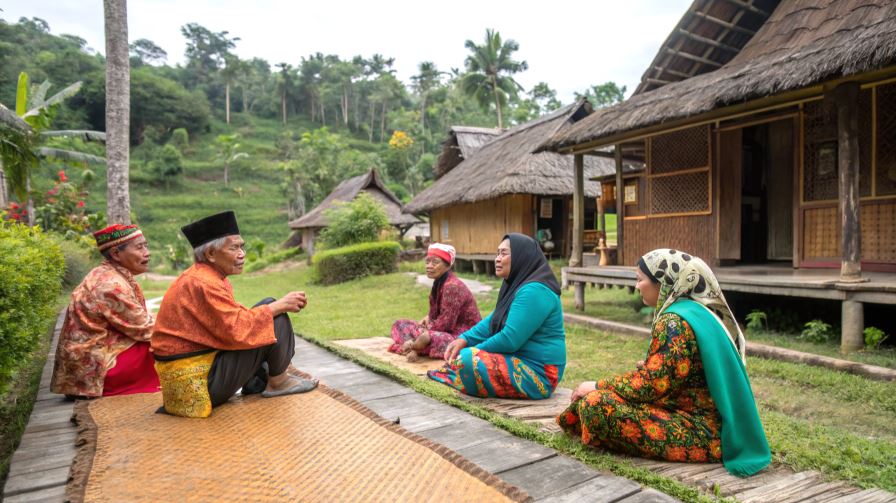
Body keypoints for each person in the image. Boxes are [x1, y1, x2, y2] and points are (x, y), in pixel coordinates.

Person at [558, 249, 770, 476]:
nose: (637, 286)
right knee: (600, 401)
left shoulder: (673, 321)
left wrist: (596, 385)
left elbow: (652, 384)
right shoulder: (696, 311)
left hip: (703, 433)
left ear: (664, 283)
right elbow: (677, 374)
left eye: (640, 280)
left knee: (597, 405)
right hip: (708, 420)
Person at [151, 211, 317, 418]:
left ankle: (260, 379)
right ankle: (278, 382)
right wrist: (280, 306)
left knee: (268, 306)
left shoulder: (204, 276)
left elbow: (230, 322)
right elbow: (236, 330)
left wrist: (273, 307)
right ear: (211, 254)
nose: (242, 254)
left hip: (202, 370)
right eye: (234, 247)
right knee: (276, 317)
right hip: (198, 385)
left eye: (242, 247)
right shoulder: (205, 282)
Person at [427, 234, 565, 400]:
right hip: (517, 359)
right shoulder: (516, 285)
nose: (497, 259)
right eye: (497, 253)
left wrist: (474, 350)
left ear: (522, 257)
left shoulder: (535, 290)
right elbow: (493, 321)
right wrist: (464, 339)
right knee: (465, 357)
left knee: (467, 360)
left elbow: (510, 338)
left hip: (540, 373)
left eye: (503, 253)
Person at [51, 224, 160, 398]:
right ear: (116, 254)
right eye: (139, 247)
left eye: (146, 245)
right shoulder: (110, 285)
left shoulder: (109, 274)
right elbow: (146, 330)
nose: (147, 252)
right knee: (165, 347)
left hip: (89, 358)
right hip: (95, 369)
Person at [389, 243, 481, 362]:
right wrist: (427, 321)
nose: (429, 266)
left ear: (448, 265)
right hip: (442, 330)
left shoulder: (452, 286)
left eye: (435, 262)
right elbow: (433, 316)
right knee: (400, 324)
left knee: (430, 337)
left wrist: (420, 335)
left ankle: (414, 346)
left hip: (462, 336)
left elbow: (446, 325)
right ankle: (420, 344)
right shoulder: (438, 283)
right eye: (427, 262)